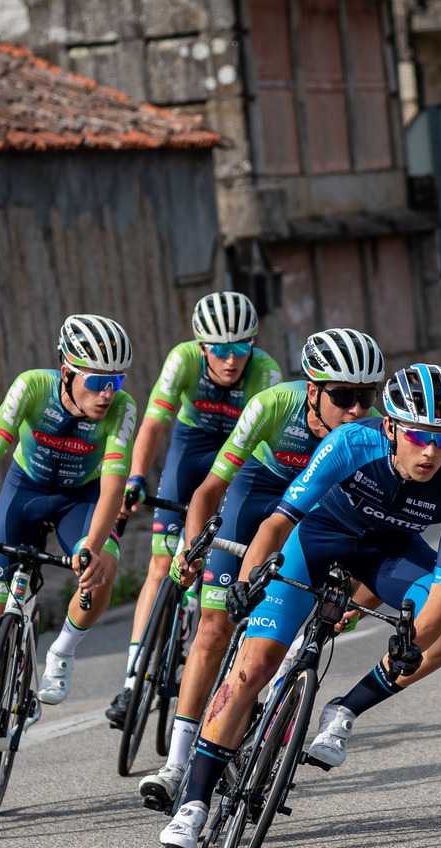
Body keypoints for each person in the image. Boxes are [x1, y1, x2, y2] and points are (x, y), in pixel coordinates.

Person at [159, 363, 441, 848]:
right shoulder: (351, 444)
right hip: (315, 543)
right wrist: (247, 582)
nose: (431, 451)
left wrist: (410, 644)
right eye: (419, 435)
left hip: (386, 556)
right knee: (254, 665)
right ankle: (195, 801)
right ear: (392, 426)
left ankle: (346, 708)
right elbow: (277, 522)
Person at [135, 328, 387, 811]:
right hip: (253, 498)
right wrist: (191, 548)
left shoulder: (369, 432)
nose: (357, 410)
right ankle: (175, 765)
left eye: (366, 397)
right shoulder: (272, 405)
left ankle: (264, 732)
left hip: (316, 514)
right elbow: (210, 489)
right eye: (344, 396)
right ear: (313, 391)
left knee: (290, 637)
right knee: (212, 628)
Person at [0, 314, 136, 784]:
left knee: (106, 566)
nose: (108, 391)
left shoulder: (123, 409)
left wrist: (93, 545)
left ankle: (62, 649)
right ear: (67, 371)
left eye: (117, 379)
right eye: (98, 381)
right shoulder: (31, 388)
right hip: (25, 491)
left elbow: (111, 487)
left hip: (80, 499)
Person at [108, 292, 283, 728]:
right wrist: (136, 477)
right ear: (202, 347)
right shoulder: (183, 359)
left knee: (214, 560)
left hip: (237, 459)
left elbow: (261, 453)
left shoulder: (266, 373)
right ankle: (132, 682)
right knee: (161, 563)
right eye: (220, 350)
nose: (231, 360)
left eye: (241, 348)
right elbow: (153, 423)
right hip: (190, 452)